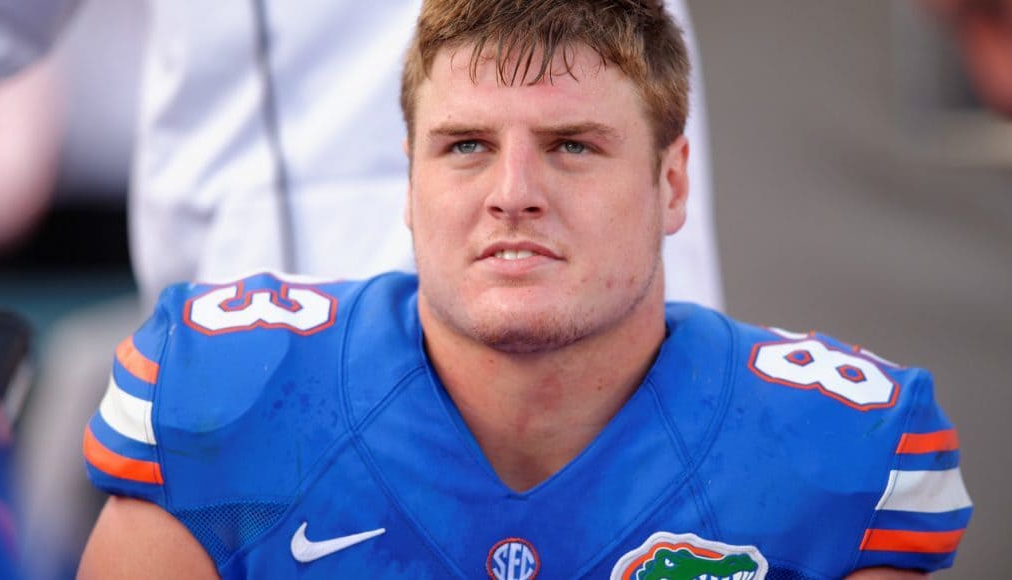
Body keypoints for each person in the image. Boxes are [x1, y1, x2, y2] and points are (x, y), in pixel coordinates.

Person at [77, 1, 972, 578]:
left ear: (670, 185)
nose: (512, 193)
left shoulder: (830, 447)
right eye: (465, 145)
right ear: (408, 181)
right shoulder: (230, 400)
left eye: (571, 146)